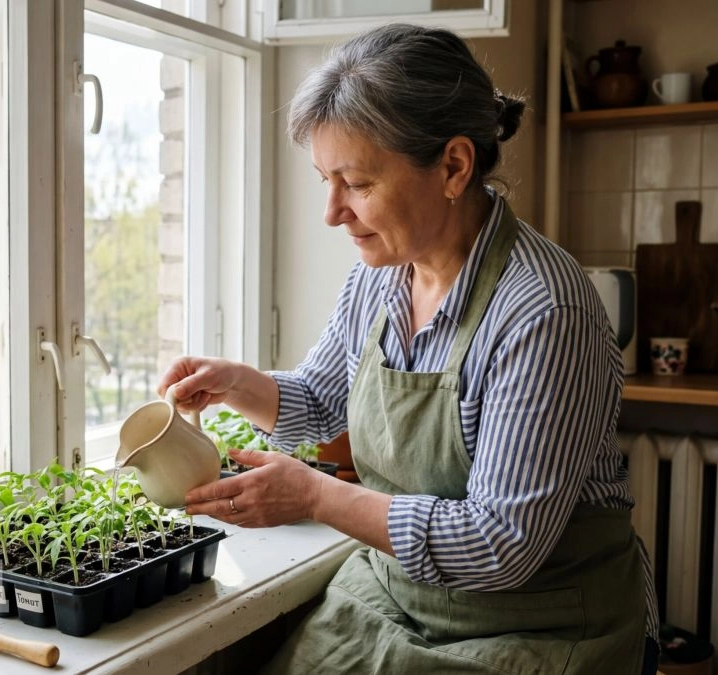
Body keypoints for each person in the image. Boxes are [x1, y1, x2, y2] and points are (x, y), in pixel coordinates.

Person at [158, 24, 659, 675]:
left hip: (544, 624)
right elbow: (321, 402)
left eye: (357, 183)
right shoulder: (379, 275)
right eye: (324, 181)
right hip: (396, 600)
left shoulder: (543, 311)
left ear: (454, 165)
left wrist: (314, 497)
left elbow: (499, 543)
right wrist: (239, 384)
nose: (332, 212)